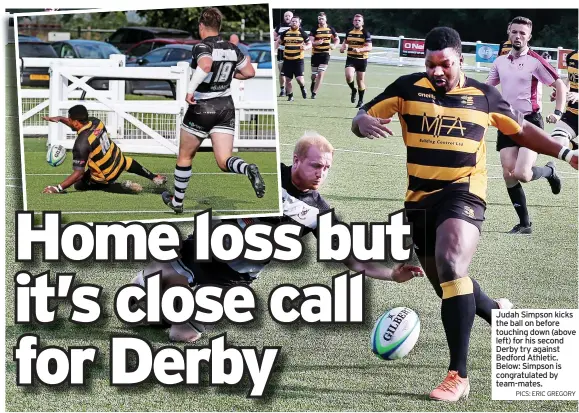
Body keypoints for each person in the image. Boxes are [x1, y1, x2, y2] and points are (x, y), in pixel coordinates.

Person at [351, 27, 578, 402]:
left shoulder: (484, 97)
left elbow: (521, 132)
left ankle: (458, 375)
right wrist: (361, 123)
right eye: (430, 64)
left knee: (452, 262)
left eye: (444, 64)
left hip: (464, 192)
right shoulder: (407, 87)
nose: (436, 71)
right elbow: (362, 116)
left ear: (459, 59)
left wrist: (566, 155)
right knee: (446, 283)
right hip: (419, 199)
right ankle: (497, 313)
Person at [133, 132, 425, 343]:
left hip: (230, 279)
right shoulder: (267, 175)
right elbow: (213, 179)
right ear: (296, 160)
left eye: (326, 168)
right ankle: (173, 299)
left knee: (181, 335)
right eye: (315, 165)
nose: (321, 173)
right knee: (136, 300)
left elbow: (351, 258)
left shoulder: (318, 213)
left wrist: (390, 274)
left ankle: (187, 305)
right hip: (195, 254)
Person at [161, 7, 265, 214]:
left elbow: (206, 65)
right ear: (219, 27)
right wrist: (230, 76)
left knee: (185, 156)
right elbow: (250, 72)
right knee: (224, 160)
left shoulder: (201, 46)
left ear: (201, 26)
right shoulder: (232, 48)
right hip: (225, 107)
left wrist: (190, 90)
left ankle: (178, 202)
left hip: (203, 107)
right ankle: (247, 168)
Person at [486, 16, 567, 234]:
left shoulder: (535, 61)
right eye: (515, 32)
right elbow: (488, 88)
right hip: (506, 121)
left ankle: (549, 172)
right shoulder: (500, 62)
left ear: (529, 37)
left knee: (522, 173)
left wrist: (558, 112)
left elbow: (559, 84)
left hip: (531, 122)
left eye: (523, 33)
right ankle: (524, 224)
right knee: (508, 173)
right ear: (508, 33)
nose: (518, 36)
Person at [42, 105, 166, 194]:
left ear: (76, 122)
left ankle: (122, 187)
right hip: (120, 160)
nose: (68, 121)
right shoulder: (97, 122)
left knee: (79, 185)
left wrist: (57, 188)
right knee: (126, 161)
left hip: (106, 175)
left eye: (69, 119)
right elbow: (77, 124)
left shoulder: (81, 144)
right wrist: (60, 119)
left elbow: (78, 173)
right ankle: (154, 177)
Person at [275, 16, 311, 101]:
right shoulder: (285, 33)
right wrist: (274, 50)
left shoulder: (302, 33)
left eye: (296, 21)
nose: (294, 23)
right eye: (293, 21)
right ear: (290, 22)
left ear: (299, 23)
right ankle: (290, 96)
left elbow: (309, 44)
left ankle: (303, 88)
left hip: (298, 60)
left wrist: (305, 47)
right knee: (288, 79)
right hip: (287, 59)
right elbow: (278, 42)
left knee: (299, 79)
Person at [340, 14, 372, 108]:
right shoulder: (349, 32)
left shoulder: (365, 33)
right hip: (351, 58)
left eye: (359, 20)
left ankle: (361, 100)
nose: (357, 22)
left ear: (362, 22)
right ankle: (353, 90)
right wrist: (342, 48)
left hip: (362, 59)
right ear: (353, 21)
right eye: (355, 20)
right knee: (349, 76)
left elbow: (369, 47)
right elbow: (345, 42)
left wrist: (360, 50)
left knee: (360, 81)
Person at [551, 49, 578, 150]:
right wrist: (562, 92)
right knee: (557, 142)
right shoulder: (571, 56)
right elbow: (569, 79)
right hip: (573, 113)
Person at [308, 12, 339, 99]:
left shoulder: (330, 29)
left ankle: (314, 93)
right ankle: (313, 82)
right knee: (314, 75)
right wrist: (316, 43)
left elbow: (337, 39)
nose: (321, 20)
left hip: (326, 53)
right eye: (319, 19)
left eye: (322, 19)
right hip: (315, 54)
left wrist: (334, 45)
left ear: (326, 19)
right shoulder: (314, 29)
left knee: (321, 73)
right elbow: (310, 42)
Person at [273, 10, 293, 97]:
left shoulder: (295, 26)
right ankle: (282, 90)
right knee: (281, 71)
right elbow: (274, 36)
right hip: (281, 51)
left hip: (292, 52)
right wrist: (277, 37)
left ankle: (289, 90)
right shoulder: (280, 26)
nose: (287, 17)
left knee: (289, 72)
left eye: (289, 16)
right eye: (286, 16)